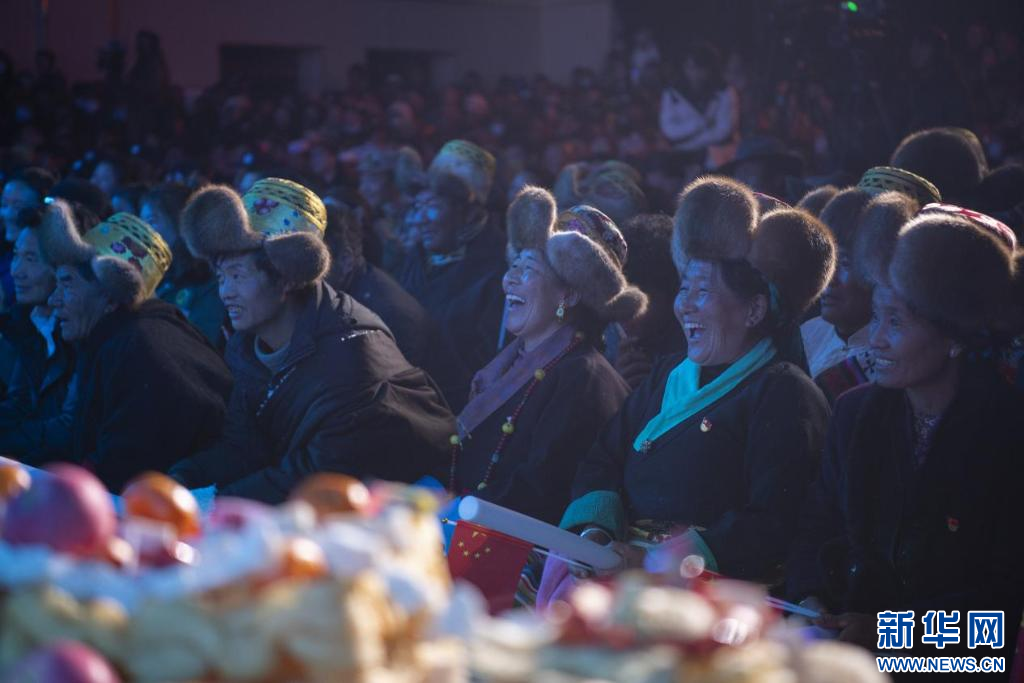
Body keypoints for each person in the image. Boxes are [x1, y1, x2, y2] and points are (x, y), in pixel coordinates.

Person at [540, 176, 835, 603]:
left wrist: (659, 563)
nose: (686, 305)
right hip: (621, 571)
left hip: (704, 595)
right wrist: (596, 533)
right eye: (684, 288)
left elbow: (773, 521)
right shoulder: (669, 373)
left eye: (704, 291)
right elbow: (604, 457)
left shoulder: (785, 393)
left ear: (754, 309)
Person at [787, 206, 1023, 673]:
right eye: (876, 317)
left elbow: (1000, 617)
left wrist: (890, 633)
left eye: (895, 322)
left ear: (954, 335)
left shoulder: (1008, 434)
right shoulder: (855, 414)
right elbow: (816, 528)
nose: (875, 339)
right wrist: (809, 600)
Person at [168, 179, 454, 503]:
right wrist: (184, 477)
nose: (225, 293)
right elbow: (243, 446)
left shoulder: (352, 360)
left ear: (287, 277)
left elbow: (313, 476)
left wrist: (214, 503)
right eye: (221, 278)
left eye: (237, 276)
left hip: (399, 510)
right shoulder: (244, 346)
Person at [449, 189, 643, 524]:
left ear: (569, 294)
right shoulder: (509, 361)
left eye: (527, 270)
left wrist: (452, 514)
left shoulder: (584, 380)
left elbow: (539, 493)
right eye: (513, 266)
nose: (508, 281)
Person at [38, 201, 232, 492]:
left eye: (66, 283)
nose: (53, 300)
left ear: (110, 296)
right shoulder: (125, 336)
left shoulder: (141, 352)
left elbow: (121, 475)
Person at [399, 149, 506, 411]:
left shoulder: (498, 270)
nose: (420, 219)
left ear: (468, 211)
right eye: (418, 207)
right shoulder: (419, 256)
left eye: (433, 206)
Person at [0, 202, 79, 459]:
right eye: (16, 255)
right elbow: (19, 403)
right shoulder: (29, 321)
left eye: (31, 259)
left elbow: (68, 430)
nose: (16, 271)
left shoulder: (83, 332)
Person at [143, 182, 225, 347]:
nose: (145, 233)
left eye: (152, 221)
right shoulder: (158, 275)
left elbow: (203, 344)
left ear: (179, 221)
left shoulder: (211, 280)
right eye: (142, 223)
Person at [612, 213, 687, 388]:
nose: (625, 309)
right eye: (620, 295)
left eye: (640, 300)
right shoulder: (607, 338)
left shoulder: (690, 355)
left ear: (672, 296)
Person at [659, 43, 739, 172]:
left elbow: (723, 130)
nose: (695, 73)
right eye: (690, 67)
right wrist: (702, 124)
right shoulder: (671, 93)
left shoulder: (725, 92)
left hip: (717, 155)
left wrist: (691, 143)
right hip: (681, 154)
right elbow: (670, 129)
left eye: (699, 68)